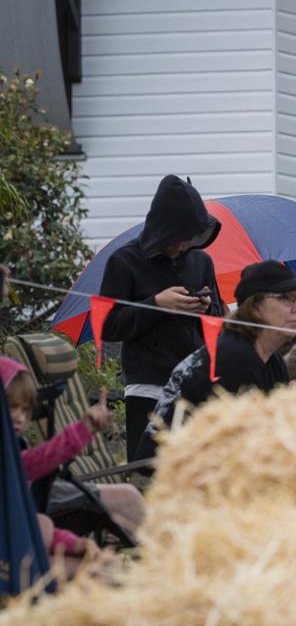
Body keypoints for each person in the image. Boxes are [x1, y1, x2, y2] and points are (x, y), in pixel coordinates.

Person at [99, 174, 225, 462]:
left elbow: (216, 321)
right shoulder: (124, 261)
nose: (185, 244)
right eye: (180, 236)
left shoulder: (201, 261)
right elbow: (108, 325)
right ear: (163, 230)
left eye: (191, 236)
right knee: (150, 472)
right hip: (148, 384)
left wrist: (206, 308)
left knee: (194, 472)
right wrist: (156, 304)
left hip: (194, 382)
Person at [144, 261, 296, 439]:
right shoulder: (234, 358)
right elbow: (238, 441)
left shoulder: (273, 361)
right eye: (286, 299)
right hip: (170, 461)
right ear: (256, 307)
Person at [2, 358, 146, 571]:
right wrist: (83, 430)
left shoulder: (13, 446)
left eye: (25, 410)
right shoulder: (12, 461)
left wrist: (70, 542)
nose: (19, 418)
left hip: (34, 545)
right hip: (20, 566)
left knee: (110, 565)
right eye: (11, 407)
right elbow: (31, 463)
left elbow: (28, 518)